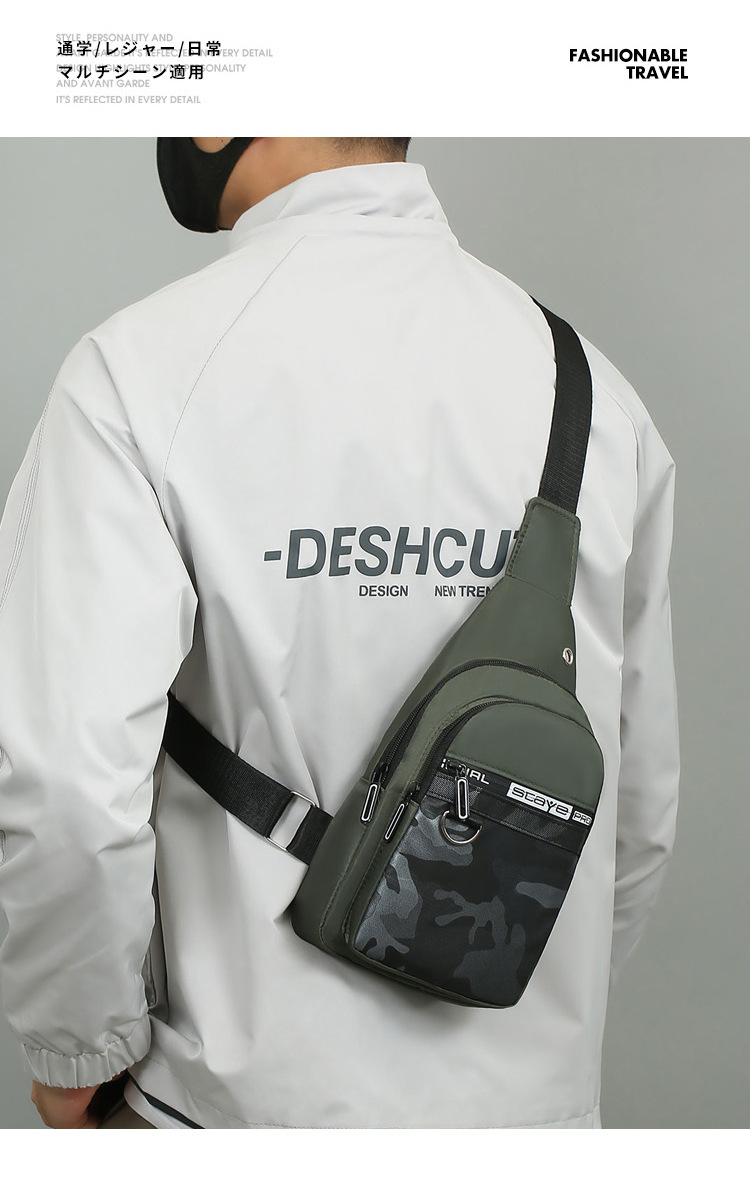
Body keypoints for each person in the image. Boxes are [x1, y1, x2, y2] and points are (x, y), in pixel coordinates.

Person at [0, 138, 679, 1130]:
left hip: (231, 1112)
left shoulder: (140, 375)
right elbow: (637, 809)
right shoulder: (592, 394)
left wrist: (74, 1054)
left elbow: (66, 784)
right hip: (534, 1119)